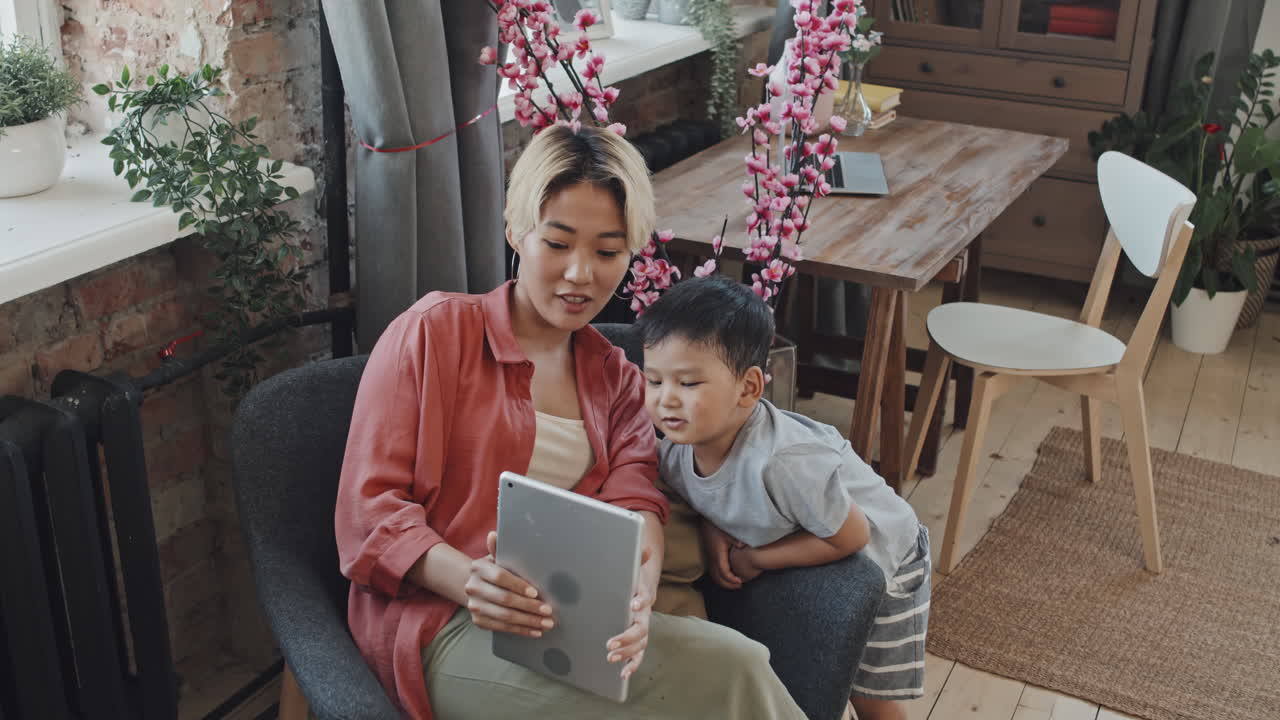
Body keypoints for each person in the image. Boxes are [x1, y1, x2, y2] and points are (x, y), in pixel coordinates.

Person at [333, 124, 807, 720]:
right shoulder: (435, 334)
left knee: (733, 664)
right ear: (516, 231)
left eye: (607, 252)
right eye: (557, 244)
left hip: (573, 629)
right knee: (729, 672)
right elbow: (367, 512)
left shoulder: (618, 380)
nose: (582, 274)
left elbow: (638, 497)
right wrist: (469, 579)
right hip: (441, 623)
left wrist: (640, 585)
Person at [636, 274, 932, 720]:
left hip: (886, 556)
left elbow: (851, 537)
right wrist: (714, 528)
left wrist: (756, 560)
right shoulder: (676, 449)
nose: (666, 401)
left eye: (689, 384)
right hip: (812, 528)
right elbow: (700, 494)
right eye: (654, 381)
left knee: (868, 693)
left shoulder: (785, 461)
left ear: (749, 388)